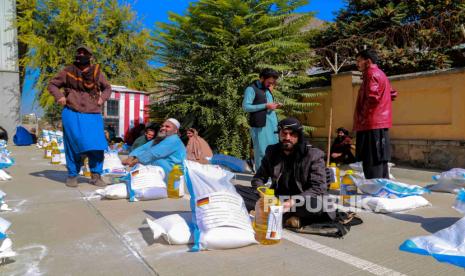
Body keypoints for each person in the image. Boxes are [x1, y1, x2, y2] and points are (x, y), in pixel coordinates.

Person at [237, 117, 336, 230]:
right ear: (279, 134)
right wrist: (264, 193)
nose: (287, 138)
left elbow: (319, 188)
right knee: (237, 190)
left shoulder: (313, 155)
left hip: (301, 200)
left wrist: (293, 201)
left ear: (298, 136)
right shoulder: (272, 152)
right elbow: (258, 178)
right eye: (284, 133)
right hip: (277, 199)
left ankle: (276, 215)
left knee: (316, 205)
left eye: (292, 134)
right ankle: (284, 217)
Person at [48, 45, 112, 187]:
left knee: (96, 144)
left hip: (92, 113)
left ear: (90, 56)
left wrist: (102, 99)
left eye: (85, 53)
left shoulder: (97, 72)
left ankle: (96, 175)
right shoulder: (68, 71)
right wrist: (59, 97)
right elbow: (52, 85)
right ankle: (72, 174)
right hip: (72, 111)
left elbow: (107, 88)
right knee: (73, 143)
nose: (81, 55)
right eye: (79, 52)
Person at [353, 49, 397, 179]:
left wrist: (363, 117)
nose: (357, 64)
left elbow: (372, 98)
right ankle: (381, 187)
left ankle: (375, 187)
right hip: (379, 122)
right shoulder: (380, 74)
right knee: (379, 158)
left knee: (371, 158)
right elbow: (392, 93)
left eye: (359, 60)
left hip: (371, 122)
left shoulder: (371, 74)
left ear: (368, 61)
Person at [242, 68, 281, 171]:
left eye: (272, 83)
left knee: (274, 151)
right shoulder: (251, 89)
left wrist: (275, 105)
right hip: (260, 126)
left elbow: (268, 107)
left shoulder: (267, 90)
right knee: (262, 152)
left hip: (272, 126)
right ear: (262, 78)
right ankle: (260, 178)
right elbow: (246, 107)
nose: (270, 85)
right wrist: (265, 105)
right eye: (269, 82)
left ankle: (271, 176)